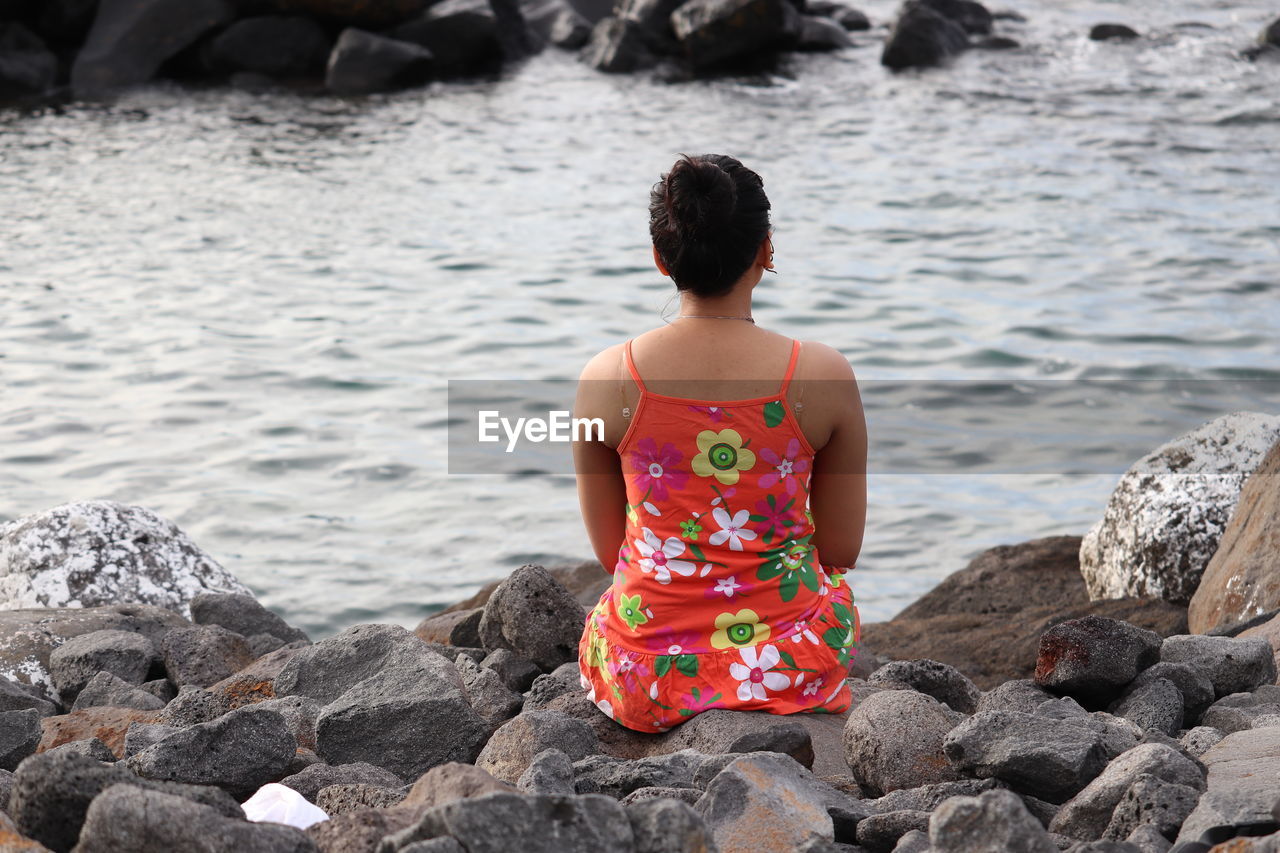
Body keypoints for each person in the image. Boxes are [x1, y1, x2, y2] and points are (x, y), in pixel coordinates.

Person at [571, 154, 867, 732]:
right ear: (766, 250)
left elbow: (613, 554)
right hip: (788, 664)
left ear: (661, 258)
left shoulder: (607, 379)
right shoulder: (821, 375)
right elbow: (840, 550)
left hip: (644, 672)